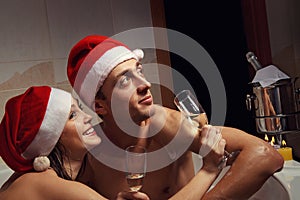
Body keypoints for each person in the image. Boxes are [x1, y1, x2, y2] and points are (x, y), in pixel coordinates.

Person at [66, 35, 284, 200]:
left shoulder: (164, 125)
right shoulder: (91, 156)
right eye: (124, 81)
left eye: (139, 71)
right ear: (100, 106)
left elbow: (266, 155)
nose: (145, 84)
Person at [0, 86, 149, 200]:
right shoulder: (45, 183)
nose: (88, 117)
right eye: (72, 115)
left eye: (80, 109)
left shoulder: (32, 178)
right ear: (50, 138)